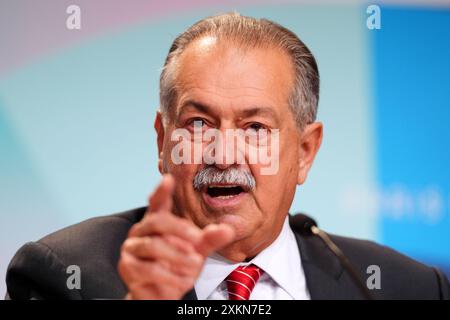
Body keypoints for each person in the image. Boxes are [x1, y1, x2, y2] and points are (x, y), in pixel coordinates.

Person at [5, 12, 449, 300]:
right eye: (199, 124)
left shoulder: (401, 287)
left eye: (256, 128)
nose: (224, 153)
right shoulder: (63, 275)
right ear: (163, 141)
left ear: (305, 152)